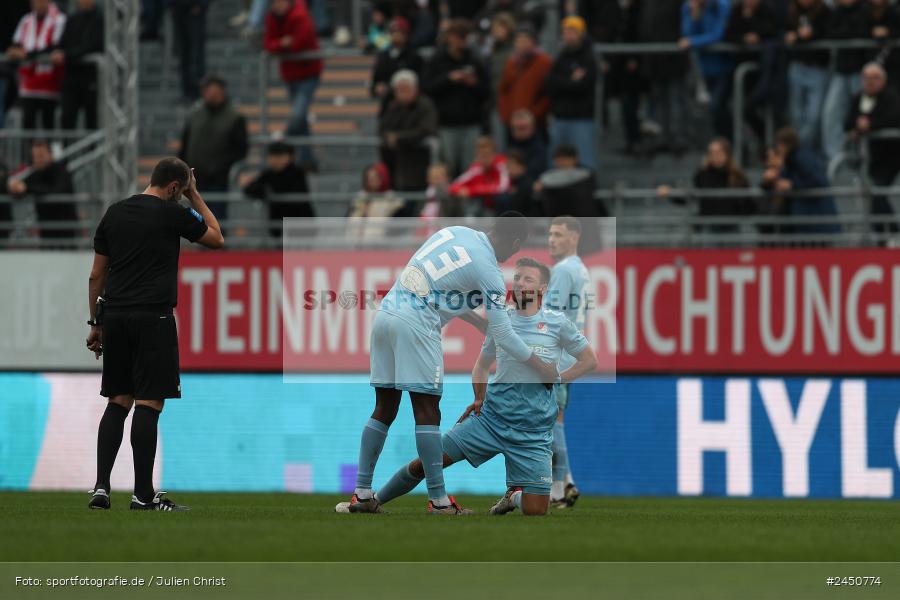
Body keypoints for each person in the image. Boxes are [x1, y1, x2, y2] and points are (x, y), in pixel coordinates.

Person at [343, 214, 562, 515]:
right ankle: (439, 501)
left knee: (385, 407)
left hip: (387, 315)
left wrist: (479, 323)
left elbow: (440, 289)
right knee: (428, 411)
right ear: (514, 243)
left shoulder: (457, 232)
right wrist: (542, 367)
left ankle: (362, 493)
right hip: (418, 324)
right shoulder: (490, 271)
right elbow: (504, 334)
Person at [86, 158, 224, 511]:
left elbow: (96, 275)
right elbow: (216, 237)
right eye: (182, 190)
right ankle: (142, 495)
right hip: (153, 317)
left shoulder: (114, 213)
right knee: (149, 403)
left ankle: (101, 488)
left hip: (115, 317)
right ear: (175, 187)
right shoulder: (171, 212)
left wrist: (95, 323)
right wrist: (195, 197)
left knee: (118, 400)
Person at [541, 216, 592, 508]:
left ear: (574, 237)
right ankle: (567, 481)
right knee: (554, 420)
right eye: (550, 234)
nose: (551, 240)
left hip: (557, 357)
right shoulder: (581, 269)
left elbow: (549, 317)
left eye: (558, 234)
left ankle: (558, 490)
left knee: (552, 423)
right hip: (571, 354)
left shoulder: (562, 271)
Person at [422, 19, 490, 177]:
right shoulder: (437, 60)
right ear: (450, 37)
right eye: (458, 37)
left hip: (471, 122)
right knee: (448, 167)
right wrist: (448, 79)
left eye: (464, 37)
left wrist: (473, 83)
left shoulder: (474, 59)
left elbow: (486, 92)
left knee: (470, 168)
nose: (460, 42)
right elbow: (427, 88)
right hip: (447, 123)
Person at [178, 77, 249, 222]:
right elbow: (185, 143)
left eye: (214, 92)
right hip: (195, 177)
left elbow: (241, 149)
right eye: (208, 91)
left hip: (219, 179)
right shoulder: (195, 114)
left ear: (222, 92)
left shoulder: (234, 117)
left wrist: (219, 167)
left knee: (217, 218)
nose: (210, 95)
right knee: (197, 219)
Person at [264, 0, 324, 169]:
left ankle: (281, 146)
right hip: (290, 74)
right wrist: (283, 43)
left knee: (297, 115)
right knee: (301, 118)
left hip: (308, 72)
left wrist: (283, 44)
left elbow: (301, 42)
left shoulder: (300, 14)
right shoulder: (272, 17)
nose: (278, 5)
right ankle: (307, 159)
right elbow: (268, 44)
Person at [845, 63, 900, 237]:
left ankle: (892, 234)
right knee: (873, 194)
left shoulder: (891, 96)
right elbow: (847, 122)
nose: (870, 82)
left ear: (883, 80)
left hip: (892, 156)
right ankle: (884, 237)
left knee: (877, 191)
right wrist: (857, 126)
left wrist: (870, 125)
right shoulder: (858, 98)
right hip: (870, 157)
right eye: (867, 78)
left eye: (875, 78)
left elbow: (894, 118)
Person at [761, 127, 839, 237]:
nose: (779, 148)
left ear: (785, 144)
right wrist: (768, 182)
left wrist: (792, 184)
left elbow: (817, 180)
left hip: (815, 222)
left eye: (779, 145)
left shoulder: (801, 158)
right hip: (806, 222)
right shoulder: (793, 160)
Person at [545, 16, 598, 171]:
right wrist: (570, 80)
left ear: (581, 33)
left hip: (582, 117)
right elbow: (550, 83)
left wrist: (564, 82)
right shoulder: (561, 56)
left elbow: (583, 85)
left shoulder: (588, 57)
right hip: (560, 116)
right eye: (565, 31)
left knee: (584, 161)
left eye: (572, 31)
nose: (568, 35)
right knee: (556, 162)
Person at [7, 0, 66, 130]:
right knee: (27, 123)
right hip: (28, 82)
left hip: (50, 83)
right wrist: (15, 52)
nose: (38, 4)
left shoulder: (59, 19)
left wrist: (26, 55)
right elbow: (15, 45)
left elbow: (55, 48)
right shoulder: (26, 20)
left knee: (48, 123)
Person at [821, 0, 869, 162]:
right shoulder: (837, 12)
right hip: (841, 71)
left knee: (862, 115)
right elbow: (830, 33)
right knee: (831, 114)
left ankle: (863, 156)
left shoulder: (864, 10)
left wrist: (845, 32)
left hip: (861, 72)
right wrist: (848, 32)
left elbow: (863, 32)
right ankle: (835, 157)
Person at [680, 0, 733, 139]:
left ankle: (730, 143)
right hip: (704, 68)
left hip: (724, 66)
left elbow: (718, 34)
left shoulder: (721, 5)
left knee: (717, 106)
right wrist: (694, 16)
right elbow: (686, 34)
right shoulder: (689, 6)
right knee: (714, 109)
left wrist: (694, 42)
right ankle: (722, 143)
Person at [378, 69, 438, 192]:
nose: (403, 93)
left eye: (406, 89)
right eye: (399, 90)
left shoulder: (425, 105)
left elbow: (426, 129)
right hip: (397, 162)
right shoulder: (393, 107)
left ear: (415, 89)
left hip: (420, 160)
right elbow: (383, 128)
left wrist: (398, 138)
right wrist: (389, 137)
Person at [784, 0, 831, 150]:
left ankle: (802, 150)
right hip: (797, 66)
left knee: (814, 115)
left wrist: (811, 35)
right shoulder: (792, 11)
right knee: (796, 114)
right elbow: (783, 32)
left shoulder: (824, 11)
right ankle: (799, 151)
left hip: (817, 68)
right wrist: (790, 37)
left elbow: (829, 33)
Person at [7, 139, 75, 239]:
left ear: (50, 155)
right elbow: (22, 186)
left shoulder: (61, 171)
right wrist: (15, 186)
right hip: (46, 231)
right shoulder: (36, 173)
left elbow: (55, 191)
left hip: (66, 229)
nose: (38, 160)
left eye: (41, 156)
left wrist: (26, 188)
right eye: (35, 157)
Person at [243, 141, 313, 238]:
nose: (276, 160)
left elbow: (290, 190)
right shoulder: (268, 174)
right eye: (273, 156)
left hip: (299, 225)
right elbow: (250, 189)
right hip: (278, 226)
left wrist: (268, 189)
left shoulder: (297, 173)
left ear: (290, 157)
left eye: (280, 156)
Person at [53, 0, 103, 131]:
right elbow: (62, 44)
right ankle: (67, 144)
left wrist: (67, 55)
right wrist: (59, 52)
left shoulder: (100, 20)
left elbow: (94, 45)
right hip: (71, 76)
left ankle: (92, 144)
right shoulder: (72, 20)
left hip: (91, 76)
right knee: (67, 116)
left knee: (91, 117)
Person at [497, 26, 552, 138]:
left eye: (525, 41)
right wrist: (507, 116)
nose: (521, 44)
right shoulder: (511, 63)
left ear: (534, 43)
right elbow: (503, 91)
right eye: (518, 41)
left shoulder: (544, 63)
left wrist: (533, 115)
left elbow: (548, 94)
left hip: (536, 124)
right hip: (512, 124)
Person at [371, 17, 424, 116]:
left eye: (400, 32)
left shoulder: (415, 57)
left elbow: (422, 83)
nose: (396, 36)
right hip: (389, 108)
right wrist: (377, 88)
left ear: (406, 35)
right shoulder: (383, 57)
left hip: (412, 109)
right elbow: (374, 83)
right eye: (393, 32)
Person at [448, 136, 509, 216]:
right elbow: (453, 186)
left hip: (501, 205)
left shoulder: (501, 164)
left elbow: (502, 188)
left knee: (501, 198)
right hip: (482, 206)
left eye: (487, 155)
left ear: (494, 154)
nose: (484, 159)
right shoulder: (476, 168)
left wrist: (472, 191)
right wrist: (466, 191)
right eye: (481, 156)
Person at [346, 163, 403, 241]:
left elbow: (395, 228)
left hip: (379, 243)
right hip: (355, 242)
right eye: (368, 178)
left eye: (375, 178)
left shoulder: (392, 200)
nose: (371, 181)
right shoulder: (360, 197)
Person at [170, 0, 209, 102]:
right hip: (179, 9)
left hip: (195, 11)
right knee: (183, 55)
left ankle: (199, 91)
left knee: (197, 54)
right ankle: (186, 91)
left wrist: (201, 4)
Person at [507, 109, 547, 182]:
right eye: (516, 128)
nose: (519, 131)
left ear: (532, 127)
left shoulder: (538, 147)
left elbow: (537, 170)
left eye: (523, 128)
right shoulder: (510, 145)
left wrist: (519, 171)